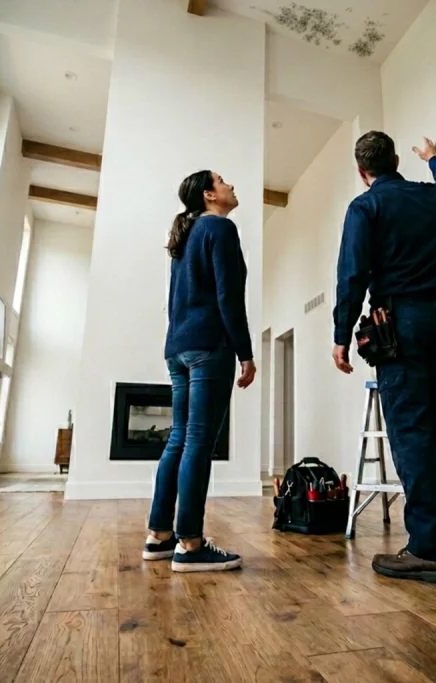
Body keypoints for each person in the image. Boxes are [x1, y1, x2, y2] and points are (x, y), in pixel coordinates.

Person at [332, 132, 436, 585]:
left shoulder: (365, 207)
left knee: (412, 436)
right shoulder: (428, 196)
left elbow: (352, 274)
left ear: (363, 173)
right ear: (397, 160)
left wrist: (341, 335)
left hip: (398, 324)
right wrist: (435, 158)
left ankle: (428, 549)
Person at [145, 170, 256, 573]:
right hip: (209, 347)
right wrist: (245, 352)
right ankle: (190, 544)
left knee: (179, 438)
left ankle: (159, 536)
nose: (232, 186)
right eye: (224, 182)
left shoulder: (186, 235)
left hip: (178, 347)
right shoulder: (220, 230)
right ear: (210, 195)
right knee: (197, 442)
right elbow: (230, 296)